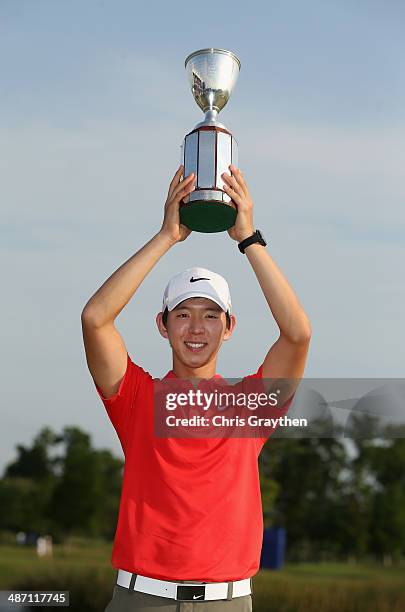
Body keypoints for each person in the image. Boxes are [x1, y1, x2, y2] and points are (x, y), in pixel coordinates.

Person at [81, 164, 312, 611]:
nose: (196, 328)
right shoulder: (136, 398)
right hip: (140, 599)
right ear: (163, 326)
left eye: (211, 315)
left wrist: (248, 238)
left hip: (226, 602)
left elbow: (297, 334)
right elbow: (95, 319)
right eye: (183, 314)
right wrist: (168, 236)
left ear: (229, 328)